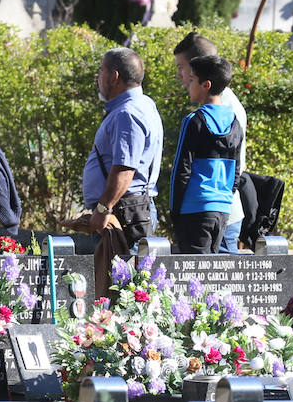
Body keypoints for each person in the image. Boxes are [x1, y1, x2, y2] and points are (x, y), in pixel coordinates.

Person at [82, 47, 164, 251]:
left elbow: (125, 169)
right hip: (127, 211)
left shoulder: (127, 113)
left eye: (101, 70)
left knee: (121, 280)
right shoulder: (143, 104)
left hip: (123, 215)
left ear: (114, 77)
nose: (97, 77)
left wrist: (103, 208)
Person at [173, 32, 247, 252]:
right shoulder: (227, 111)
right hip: (223, 206)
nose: (180, 76)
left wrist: (175, 209)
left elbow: (182, 167)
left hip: (204, 207)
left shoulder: (207, 115)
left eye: (182, 67)